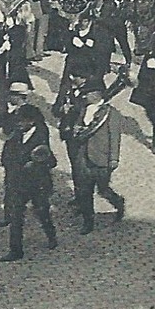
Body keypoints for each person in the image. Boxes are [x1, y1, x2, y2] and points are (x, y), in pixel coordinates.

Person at [62, 78, 126, 235]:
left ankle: (118, 203)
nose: (84, 97)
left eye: (87, 94)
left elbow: (115, 137)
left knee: (103, 189)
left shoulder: (111, 113)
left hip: (101, 158)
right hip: (83, 157)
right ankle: (88, 222)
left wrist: (113, 159)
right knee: (84, 191)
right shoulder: (84, 110)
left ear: (96, 94)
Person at [0, 103, 58, 262]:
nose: (18, 123)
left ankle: (51, 235)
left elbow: (50, 160)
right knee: (16, 216)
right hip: (18, 182)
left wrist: (36, 163)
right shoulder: (17, 133)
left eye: (21, 121)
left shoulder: (41, 133)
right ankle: (15, 250)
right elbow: (7, 151)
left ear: (31, 121)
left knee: (42, 212)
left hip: (37, 183)